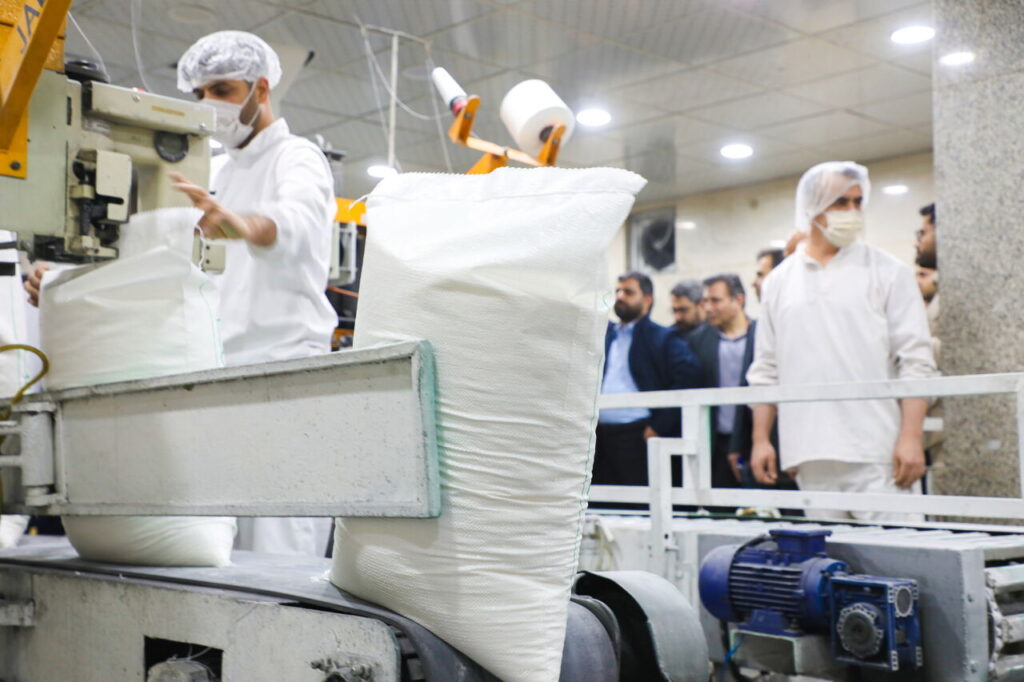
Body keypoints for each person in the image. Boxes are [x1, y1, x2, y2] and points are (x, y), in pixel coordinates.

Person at [746, 161, 937, 522]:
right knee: (828, 557)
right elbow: (766, 368)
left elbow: (916, 361)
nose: (851, 211)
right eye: (840, 202)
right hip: (809, 453)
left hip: (879, 452)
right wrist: (761, 440)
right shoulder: (779, 282)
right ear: (812, 205)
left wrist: (911, 437)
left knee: (900, 553)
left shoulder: (888, 272)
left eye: (858, 202)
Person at [594, 271, 702, 487]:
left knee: (638, 500)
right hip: (600, 436)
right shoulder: (605, 336)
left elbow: (690, 377)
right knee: (601, 500)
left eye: (628, 292)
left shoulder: (662, 337)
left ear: (647, 299)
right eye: (618, 291)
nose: (620, 296)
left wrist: (659, 426)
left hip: (638, 435)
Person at [686, 274, 752, 489]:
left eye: (715, 300)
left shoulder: (760, 335)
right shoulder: (698, 340)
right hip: (715, 442)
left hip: (754, 438)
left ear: (738, 300)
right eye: (705, 301)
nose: (708, 307)